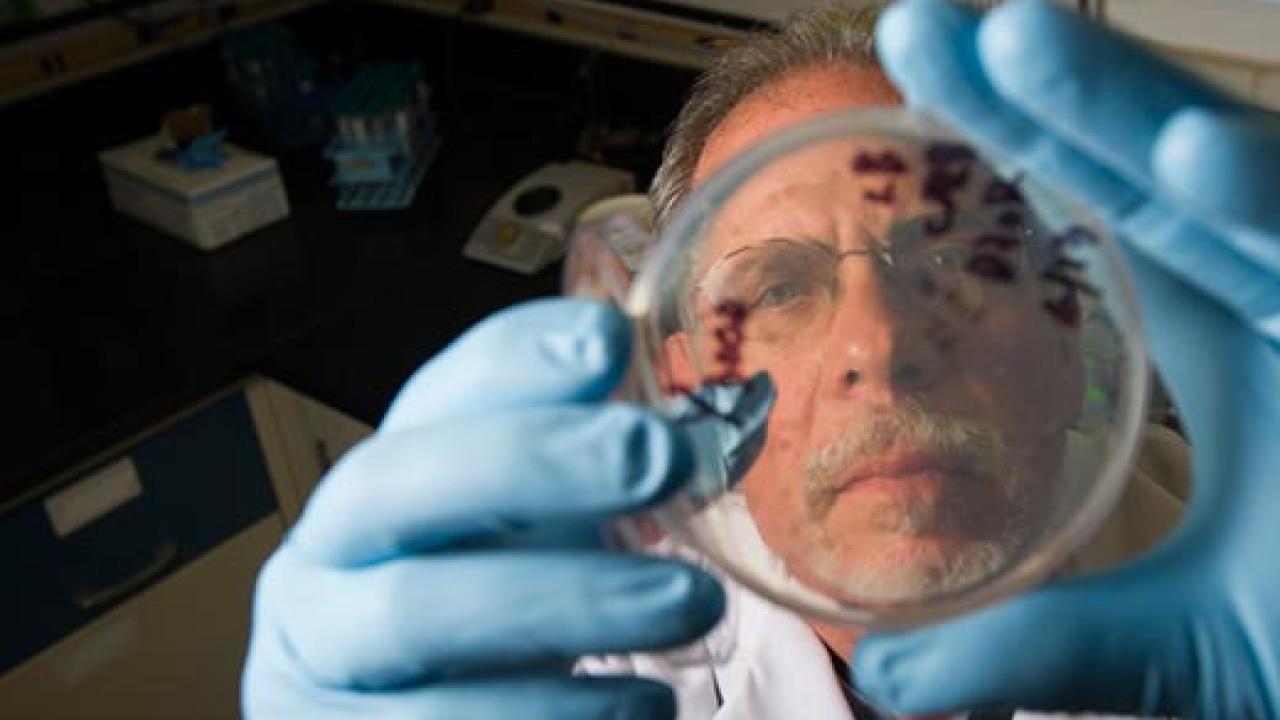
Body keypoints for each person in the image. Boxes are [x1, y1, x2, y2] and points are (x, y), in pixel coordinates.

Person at [242, 0, 1280, 718]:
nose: (877, 346)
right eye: (778, 289)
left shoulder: (1255, 577)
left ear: (1064, 332)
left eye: (957, 260)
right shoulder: (571, 641)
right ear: (689, 383)